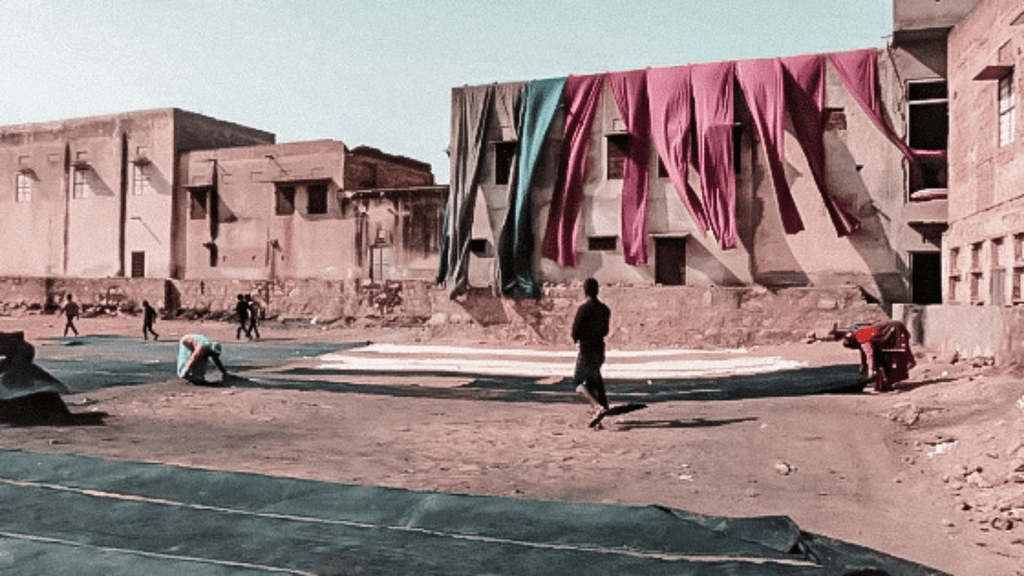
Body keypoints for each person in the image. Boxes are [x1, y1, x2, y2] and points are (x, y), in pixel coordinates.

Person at [572, 278, 611, 428]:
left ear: (585, 291)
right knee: (594, 380)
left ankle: (598, 406)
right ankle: (598, 417)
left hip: (587, 349)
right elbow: (605, 331)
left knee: (578, 382)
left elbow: (576, 330)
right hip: (599, 349)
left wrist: (578, 338)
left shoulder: (584, 309)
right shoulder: (605, 310)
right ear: (597, 291)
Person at [842, 320, 916, 392]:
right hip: (892, 329)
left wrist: (872, 369)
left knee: (897, 356)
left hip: (895, 330)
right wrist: (863, 365)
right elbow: (863, 353)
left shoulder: (861, 337)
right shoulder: (858, 333)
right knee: (884, 358)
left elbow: (869, 354)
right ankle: (888, 382)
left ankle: (897, 378)